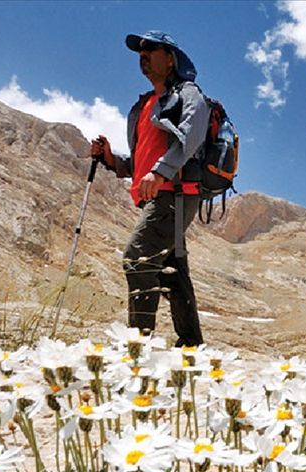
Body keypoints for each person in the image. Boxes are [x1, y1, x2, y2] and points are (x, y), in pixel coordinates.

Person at [90, 30, 209, 347]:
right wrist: (110, 159)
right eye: (140, 51)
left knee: (138, 258)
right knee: (171, 274)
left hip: (176, 193)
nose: (142, 55)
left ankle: (139, 350)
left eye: (151, 49)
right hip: (160, 191)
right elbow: (141, 162)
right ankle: (192, 348)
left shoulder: (188, 93)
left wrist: (161, 172)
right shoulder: (145, 105)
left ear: (170, 59)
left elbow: (192, 133)